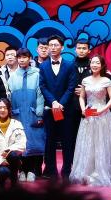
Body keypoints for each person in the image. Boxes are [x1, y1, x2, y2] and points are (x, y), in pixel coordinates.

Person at [69, 55, 111, 187]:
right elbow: (81, 97)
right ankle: (87, 172)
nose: (94, 65)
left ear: (102, 65)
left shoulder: (106, 80)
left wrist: (103, 109)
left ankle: (101, 172)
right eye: (93, 63)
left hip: (103, 115)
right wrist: (83, 109)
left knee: (102, 142)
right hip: (88, 114)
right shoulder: (85, 80)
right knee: (88, 143)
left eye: (97, 63)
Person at [39, 34, 77, 180]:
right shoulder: (43, 66)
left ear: (62, 47)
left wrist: (61, 103)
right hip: (50, 110)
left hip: (66, 110)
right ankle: (51, 170)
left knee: (67, 140)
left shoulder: (70, 65)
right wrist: (53, 102)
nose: (53, 48)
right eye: (51, 45)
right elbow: (42, 86)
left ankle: (67, 170)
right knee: (50, 141)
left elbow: (71, 87)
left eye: (56, 45)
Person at [8, 48, 44, 182]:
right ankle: (22, 170)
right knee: (19, 141)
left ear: (30, 58)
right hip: (17, 114)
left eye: (25, 57)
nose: (22, 60)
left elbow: (40, 95)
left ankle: (32, 170)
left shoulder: (37, 74)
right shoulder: (13, 76)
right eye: (19, 57)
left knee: (34, 142)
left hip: (32, 113)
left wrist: (39, 114)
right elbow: (9, 96)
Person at [0, 98, 27, 190]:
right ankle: (0, 186)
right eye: (0, 107)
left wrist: (8, 151)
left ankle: (14, 181)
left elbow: (22, 144)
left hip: (12, 160)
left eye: (5, 108)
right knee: (4, 172)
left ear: (9, 109)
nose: (2, 110)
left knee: (13, 155)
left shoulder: (17, 124)